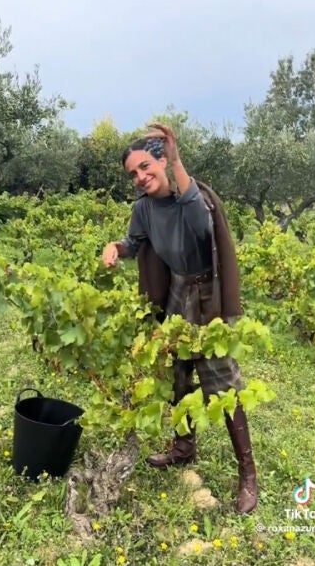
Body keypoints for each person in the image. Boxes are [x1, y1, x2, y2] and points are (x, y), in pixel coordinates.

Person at [101, 124, 258, 514]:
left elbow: (199, 221)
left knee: (223, 383)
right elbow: (135, 243)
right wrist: (115, 248)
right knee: (177, 375)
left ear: (162, 161)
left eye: (145, 166)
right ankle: (184, 447)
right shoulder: (143, 209)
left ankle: (248, 474)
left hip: (208, 296)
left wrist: (176, 159)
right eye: (133, 173)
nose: (140, 177)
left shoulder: (194, 197)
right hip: (177, 293)